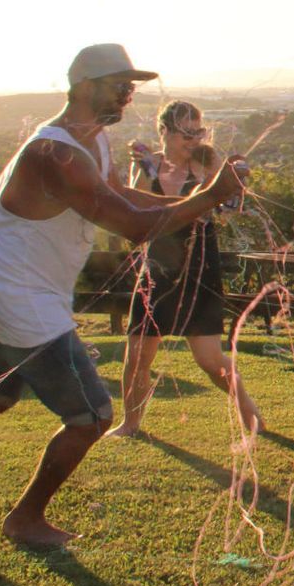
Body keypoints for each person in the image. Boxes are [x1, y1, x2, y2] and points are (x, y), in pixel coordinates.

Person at [0, 45, 246, 546]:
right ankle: (25, 519)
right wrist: (209, 196)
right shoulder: (55, 153)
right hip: (25, 299)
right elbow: (133, 226)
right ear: (83, 87)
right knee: (92, 416)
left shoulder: (92, 142)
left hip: (20, 292)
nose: (127, 95)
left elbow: (127, 198)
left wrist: (200, 199)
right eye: (118, 85)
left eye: (130, 87)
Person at [108, 100, 262, 438]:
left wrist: (236, 181)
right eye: (185, 134)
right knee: (137, 358)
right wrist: (145, 170)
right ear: (163, 131)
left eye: (198, 132)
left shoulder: (207, 163)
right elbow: (136, 208)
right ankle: (129, 425)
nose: (194, 140)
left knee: (210, 360)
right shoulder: (147, 165)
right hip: (157, 268)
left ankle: (251, 415)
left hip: (200, 267)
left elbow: (229, 210)